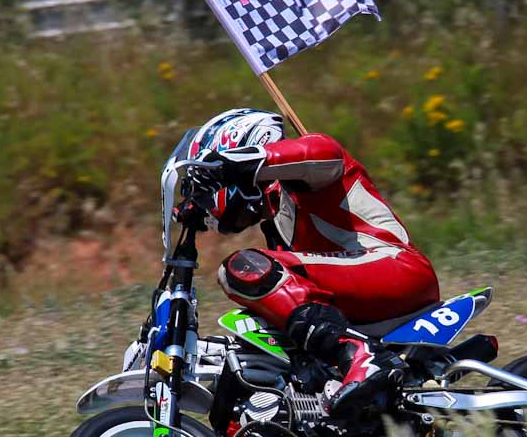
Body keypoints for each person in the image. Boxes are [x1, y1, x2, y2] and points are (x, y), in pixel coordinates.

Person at [184, 108, 440, 417]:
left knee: (244, 267)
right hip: (357, 298)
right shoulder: (277, 225)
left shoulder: (307, 171)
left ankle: (362, 356)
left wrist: (231, 165)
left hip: (393, 267)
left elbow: (320, 150)